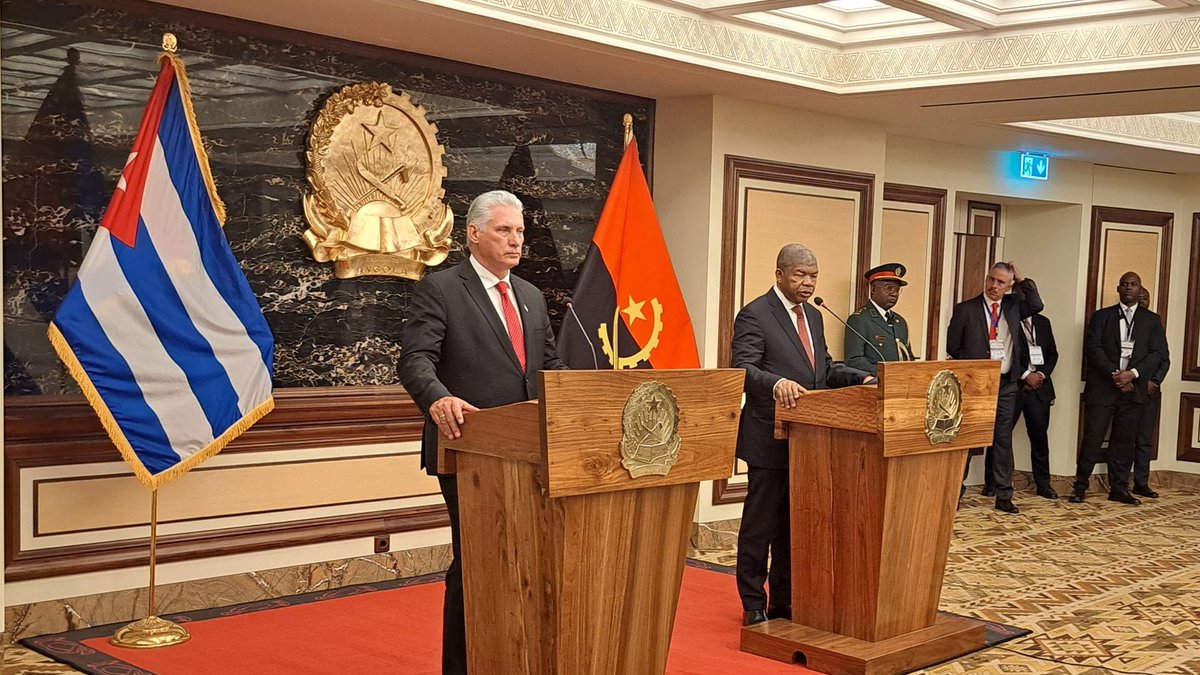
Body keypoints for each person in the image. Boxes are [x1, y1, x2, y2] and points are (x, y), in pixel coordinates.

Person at [398, 190, 566, 674]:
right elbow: (415, 359)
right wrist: (438, 398)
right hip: (468, 447)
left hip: (531, 451)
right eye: (504, 231)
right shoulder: (442, 289)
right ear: (473, 234)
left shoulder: (532, 296)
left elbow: (548, 369)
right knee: (476, 563)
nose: (516, 241)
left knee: (526, 562)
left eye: (519, 232)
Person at [732, 243, 872, 627]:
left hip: (810, 440)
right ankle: (752, 602)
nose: (808, 283)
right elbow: (742, 368)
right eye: (800, 275)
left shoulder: (814, 316)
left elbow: (822, 370)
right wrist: (776, 382)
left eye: (813, 275)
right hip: (768, 437)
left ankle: (785, 600)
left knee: (794, 526)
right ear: (780, 274)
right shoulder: (755, 314)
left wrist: (865, 378)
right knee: (760, 526)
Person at [946, 261, 1043, 514]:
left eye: (1001, 282)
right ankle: (956, 491)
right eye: (991, 279)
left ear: (1009, 285)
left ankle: (1003, 494)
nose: (993, 286)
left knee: (1002, 440)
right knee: (967, 438)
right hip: (975, 385)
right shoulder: (966, 309)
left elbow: (1036, 304)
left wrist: (1021, 279)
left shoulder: (1013, 306)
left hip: (1006, 384)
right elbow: (953, 346)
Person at [1069, 273, 1167, 504]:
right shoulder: (1102, 317)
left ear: (1139, 288)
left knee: (1124, 442)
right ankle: (1080, 486)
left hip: (1133, 391)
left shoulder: (1151, 320)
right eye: (1124, 284)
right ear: (1118, 288)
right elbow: (1093, 349)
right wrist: (1116, 375)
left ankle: (1119, 488)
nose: (1128, 288)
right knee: (1092, 438)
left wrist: (1132, 374)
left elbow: (1158, 353)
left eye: (1133, 284)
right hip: (1103, 389)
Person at [1013, 311, 1059, 499]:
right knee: (1001, 436)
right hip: (1014, 386)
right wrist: (1025, 375)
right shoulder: (1008, 319)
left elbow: (1053, 354)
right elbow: (1003, 354)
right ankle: (992, 483)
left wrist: (1040, 375)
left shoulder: (1043, 322)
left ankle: (1043, 484)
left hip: (1040, 389)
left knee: (1039, 438)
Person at [844, 262, 915, 374]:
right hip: (876, 383)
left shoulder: (900, 322)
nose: (894, 294)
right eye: (889, 288)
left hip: (902, 383)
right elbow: (854, 360)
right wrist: (886, 373)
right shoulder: (860, 319)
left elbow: (908, 357)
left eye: (897, 290)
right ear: (873, 289)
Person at [1132, 287, 1169, 498]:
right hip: (1128, 389)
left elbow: (1164, 358)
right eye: (1141, 298)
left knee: (1144, 438)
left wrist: (1154, 381)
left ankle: (1141, 482)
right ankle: (1118, 481)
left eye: (1146, 298)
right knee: (1124, 438)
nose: (1143, 301)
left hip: (1149, 391)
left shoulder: (1154, 323)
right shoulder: (1122, 322)